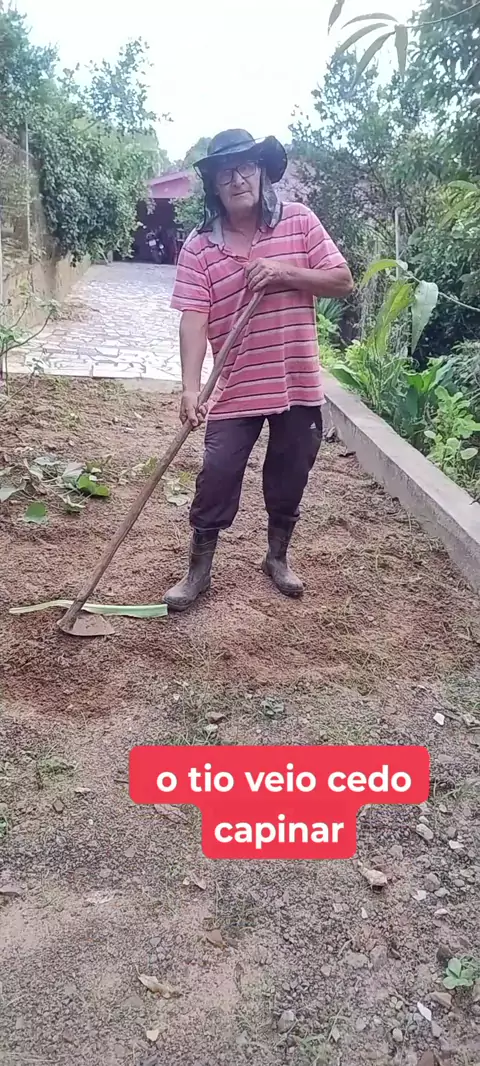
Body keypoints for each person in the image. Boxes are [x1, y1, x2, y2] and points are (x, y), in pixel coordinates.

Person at [164, 129, 353, 611]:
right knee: (218, 471)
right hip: (236, 385)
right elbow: (193, 318)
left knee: (291, 473)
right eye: (225, 172)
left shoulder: (300, 221)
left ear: (262, 172)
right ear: (214, 184)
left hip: (296, 383)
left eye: (246, 167)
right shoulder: (199, 247)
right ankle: (198, 572)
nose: (237, 179)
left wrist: (283, 272)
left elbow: (341, 281)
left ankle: (277, 557)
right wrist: (190, 388)